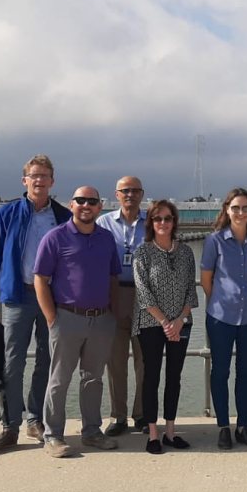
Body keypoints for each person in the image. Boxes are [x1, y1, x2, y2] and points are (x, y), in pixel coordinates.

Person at [0, 154, 71, 455]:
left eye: (45, 175)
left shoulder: (62, 216)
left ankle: (36, 420)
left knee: (47, 359)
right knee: (12, 362)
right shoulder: (7, 214)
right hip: (16, 295)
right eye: (34, 175)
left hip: (51, 297)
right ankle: (10, 426)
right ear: (25, 180)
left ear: (52, 181)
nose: (39, 180)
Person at [34, 186, 121, 458]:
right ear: (71, 205)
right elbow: (40, 279)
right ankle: (53, 436)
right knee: (59, 380)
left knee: (93, 379)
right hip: (67, 318)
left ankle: (92, 432)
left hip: (101, 319)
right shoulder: (55, 238)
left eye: (92, 201)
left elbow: (113, 278)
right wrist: (51, 317)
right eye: (80, 200)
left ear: (99, 207)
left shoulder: (106, 239)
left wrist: (113, 313)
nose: (86, 205)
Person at [201, 188, 247, 450]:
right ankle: (223, 427)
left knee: (246, 373)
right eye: (236, 208)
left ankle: (243, 426)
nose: (241, 213)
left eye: (246, 208)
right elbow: (206, 280)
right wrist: (221, 300)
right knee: (220, 372)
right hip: (221, 317)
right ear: (227, 210)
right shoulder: (215, 240)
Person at [132, 200, 199, 454]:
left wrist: (179, 320)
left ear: (174, 222)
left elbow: (191, 292)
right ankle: (152, 433)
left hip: (181, 323)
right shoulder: (143, 253)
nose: (163, 223)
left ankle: (171, 431)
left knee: (174, 377)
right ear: (151, 222)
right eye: (158, 218)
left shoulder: (185, 253)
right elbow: (143, 292)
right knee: (152, 377)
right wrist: (164, 322)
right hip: (151, 324)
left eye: (168, 218)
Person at [96, 176, 147, 437]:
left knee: (144, 361)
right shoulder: (103, 223)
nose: (130, 195)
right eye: (125, 191)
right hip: (114, 294)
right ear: (116, 194)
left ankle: (142, 415)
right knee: (115, 361)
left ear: (142, 194)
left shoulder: (153, 222)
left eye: (135, 191)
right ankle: (118, 416)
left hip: (146, 297)